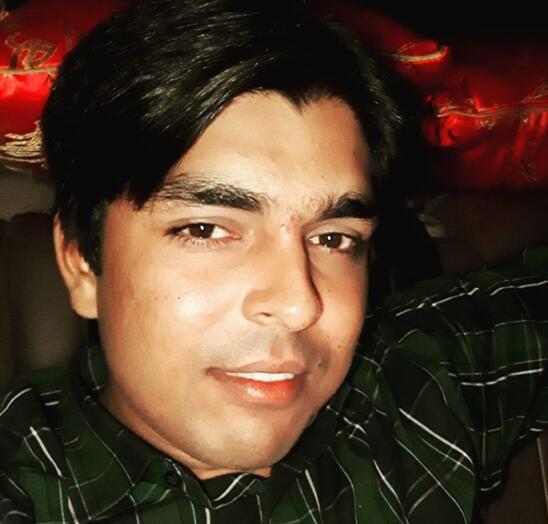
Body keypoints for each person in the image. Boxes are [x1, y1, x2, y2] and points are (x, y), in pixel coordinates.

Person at [0, 0, 547, 522]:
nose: (298, 304)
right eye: (206, 230)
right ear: (81, 259)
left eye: (333, 238)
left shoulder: (415, 381)